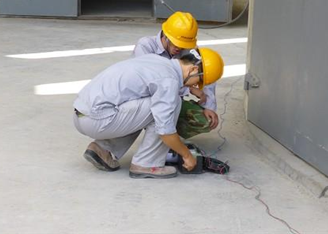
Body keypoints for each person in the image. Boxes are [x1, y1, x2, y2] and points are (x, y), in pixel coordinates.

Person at [73, 48, 224, 179]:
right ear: (193, 70)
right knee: (169, 106)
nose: (196, 86)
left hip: (82, 114)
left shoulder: (158, 61)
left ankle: (103, 149)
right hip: (96, 119)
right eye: (199, 82)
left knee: (152, 104)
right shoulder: (168, 80)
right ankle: (147, 164)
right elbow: (165, 130)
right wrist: (186, 155)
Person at [133, 11, 219, 140]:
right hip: (144, 98)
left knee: (203, 120)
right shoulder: (145, 46)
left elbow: (207, 73)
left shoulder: (189, 49)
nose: (179, 48)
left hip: (173, 100)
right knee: (157, 110)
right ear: (165, 35)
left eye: (183, 44)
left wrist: (209, 106)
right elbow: (152, 83)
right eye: (175, 43)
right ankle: (106, 148)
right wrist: (189, 88)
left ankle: (168, 138)